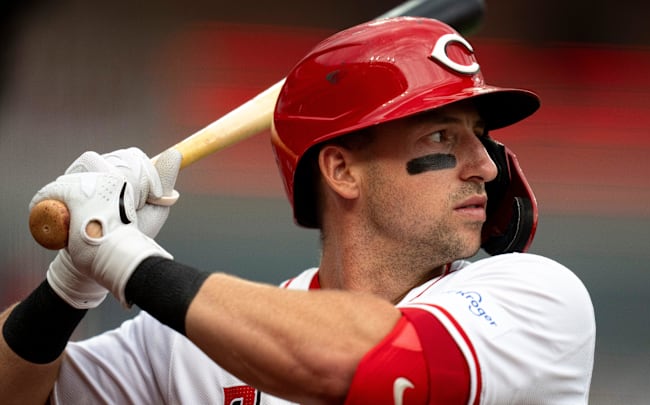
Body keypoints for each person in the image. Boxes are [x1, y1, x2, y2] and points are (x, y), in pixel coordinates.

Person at [0, 17, 595, 404]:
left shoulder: (537, 298)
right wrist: (69, 283)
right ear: (341, 171)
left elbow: (368, 363)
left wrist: (126, 257)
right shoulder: (187, 346)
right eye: (443, 138)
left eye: (479, 136)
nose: (487, 166)